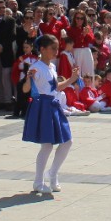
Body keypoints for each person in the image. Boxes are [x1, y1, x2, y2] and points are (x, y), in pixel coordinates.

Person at [22, 34, 79, 194]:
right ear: (42, 49)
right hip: (43, 106)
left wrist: (71, 79)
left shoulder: (52, 67)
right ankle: (38, 181)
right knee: (47, 145)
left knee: (67, 141)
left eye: (57, 48)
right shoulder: (36, 67)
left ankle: (52, 173)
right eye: (53, 48)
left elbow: (55, 87)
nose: (56, 51)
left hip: (53, 106)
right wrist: (28, 79)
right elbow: (26, 89)